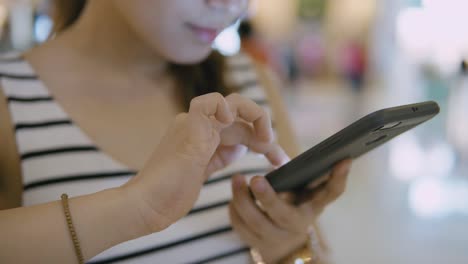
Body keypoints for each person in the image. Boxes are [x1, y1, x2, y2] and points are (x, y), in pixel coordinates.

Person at [0, 1, 352, 263]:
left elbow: (316, 253)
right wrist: (132, 208)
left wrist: (289, 249)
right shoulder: (10, 98)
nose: (231, 5)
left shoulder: (251, 81)